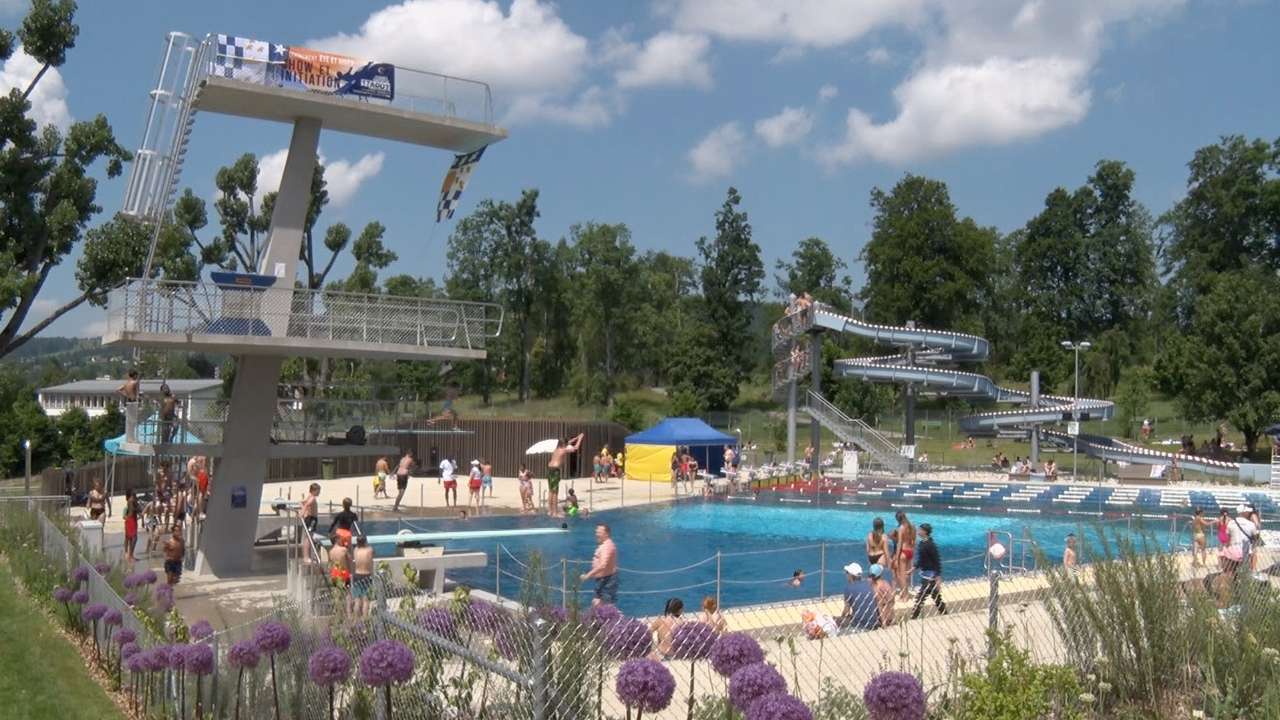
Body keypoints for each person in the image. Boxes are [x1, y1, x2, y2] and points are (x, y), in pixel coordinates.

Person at [911, 523, 947, 619]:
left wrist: (938, 577)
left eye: (920, 530)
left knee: (921, 597)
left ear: (925, 532)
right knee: (936, 597)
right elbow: (921, 559)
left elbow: (936, 561)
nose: (918, 531)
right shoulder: (922, 543)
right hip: (924, 574)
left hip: (930, 576)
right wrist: (913, 568)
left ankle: (913, 617)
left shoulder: (931, 545)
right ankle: (944, 613)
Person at [580, 523, 618, 606]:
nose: (596, 534)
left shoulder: (606, 546)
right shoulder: (605, 545)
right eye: (596, 532)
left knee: (606, 604)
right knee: (596, 602)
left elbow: (603, 565)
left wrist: (588, 575)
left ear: (606, 534)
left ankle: (612, 614)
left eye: (599, 532)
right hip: (602, 579)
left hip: (607, 580)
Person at [548, 433, 583, 517]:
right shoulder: (564, 450)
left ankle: (550, 511)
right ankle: (555, 513)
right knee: (555, 492)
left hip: (550, 469)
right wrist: (580, 439)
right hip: (555, 471)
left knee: (551, 491)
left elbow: (568, 443)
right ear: (563, 444)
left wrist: (575, 438)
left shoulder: (556, 448)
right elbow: (576, 448)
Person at [838, 563, 879, 631]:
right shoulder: (868, 584)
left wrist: (841, 618)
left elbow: (846, 611)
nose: (846, 575)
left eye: (847, 573)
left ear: (851, 575)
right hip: (873, 623)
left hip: (860, 625)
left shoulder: (848, 588)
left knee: (838, 623)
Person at [891, 511, 916, 601]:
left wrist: (896, 558)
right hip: (910, 552)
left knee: (901, 576)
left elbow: (899, 544)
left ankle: (905, 596)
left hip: (903, 552)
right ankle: (906, 594)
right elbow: (914, 541)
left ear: (898, 519)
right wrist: (912, 554)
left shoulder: (901, 528)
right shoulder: (912, 526)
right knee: (906, 575)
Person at [351, 535, 375, 617]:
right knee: (365, 600)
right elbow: (372, 557)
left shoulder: (355, 550)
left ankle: (356, 619)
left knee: (357, 600)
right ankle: (365, 619)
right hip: (366, 575)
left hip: (357, 575)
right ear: (365, 542)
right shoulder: (369, 550)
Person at [868, 563, 895, 627]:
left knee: (879, 602)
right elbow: (892, 600)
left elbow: (879, 606)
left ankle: (884, 622)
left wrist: (883, 623)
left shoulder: (874, 587)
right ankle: (891, 620)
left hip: (881, 619)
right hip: (891, 617)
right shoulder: (886, 584)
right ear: (881, 574)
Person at [123, 488, 141, 565]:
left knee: (130, 538)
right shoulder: (131, 500)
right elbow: (134, 510)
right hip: (131, 520)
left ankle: (129, 555)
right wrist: (138, 507)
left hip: (132, 520)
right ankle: (130, 555)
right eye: (134, 492)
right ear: (131, 493)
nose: (136, 492)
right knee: (134, 538)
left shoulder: (132, 500)